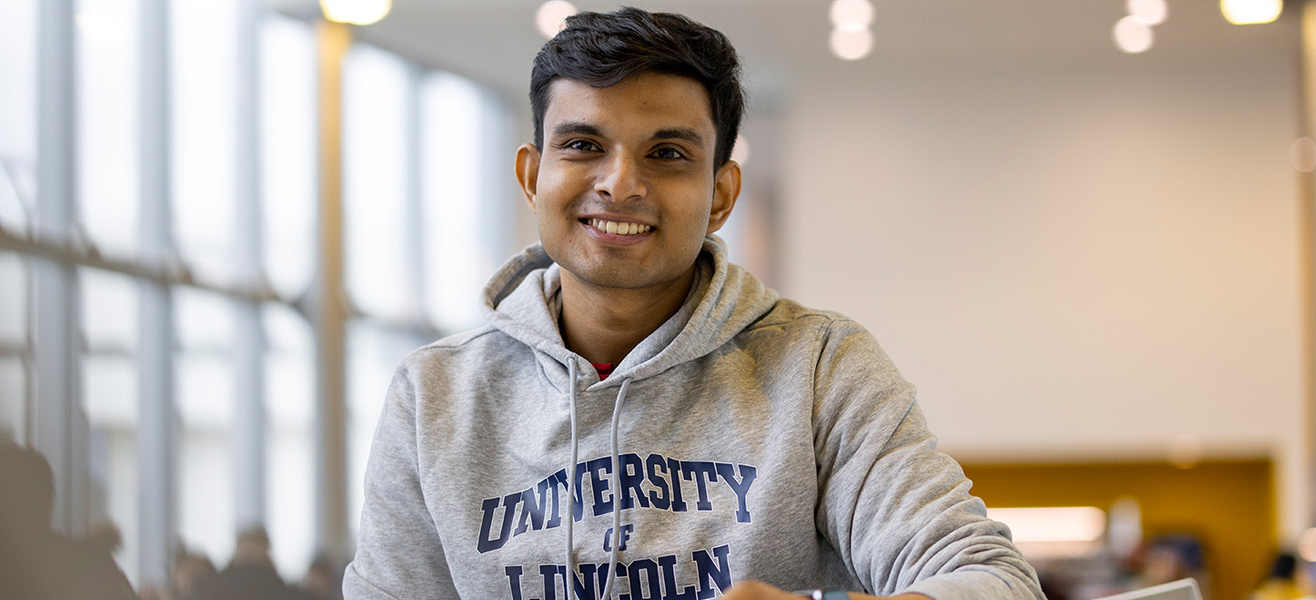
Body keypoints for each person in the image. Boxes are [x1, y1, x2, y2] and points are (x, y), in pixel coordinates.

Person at [343, 7, 1042, 600]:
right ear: (533, 176)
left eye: (668, 154)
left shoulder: (822, 367)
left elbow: (989, 578)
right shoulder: (433, 395)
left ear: (722, 194)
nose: (619, 184)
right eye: (583, 145)